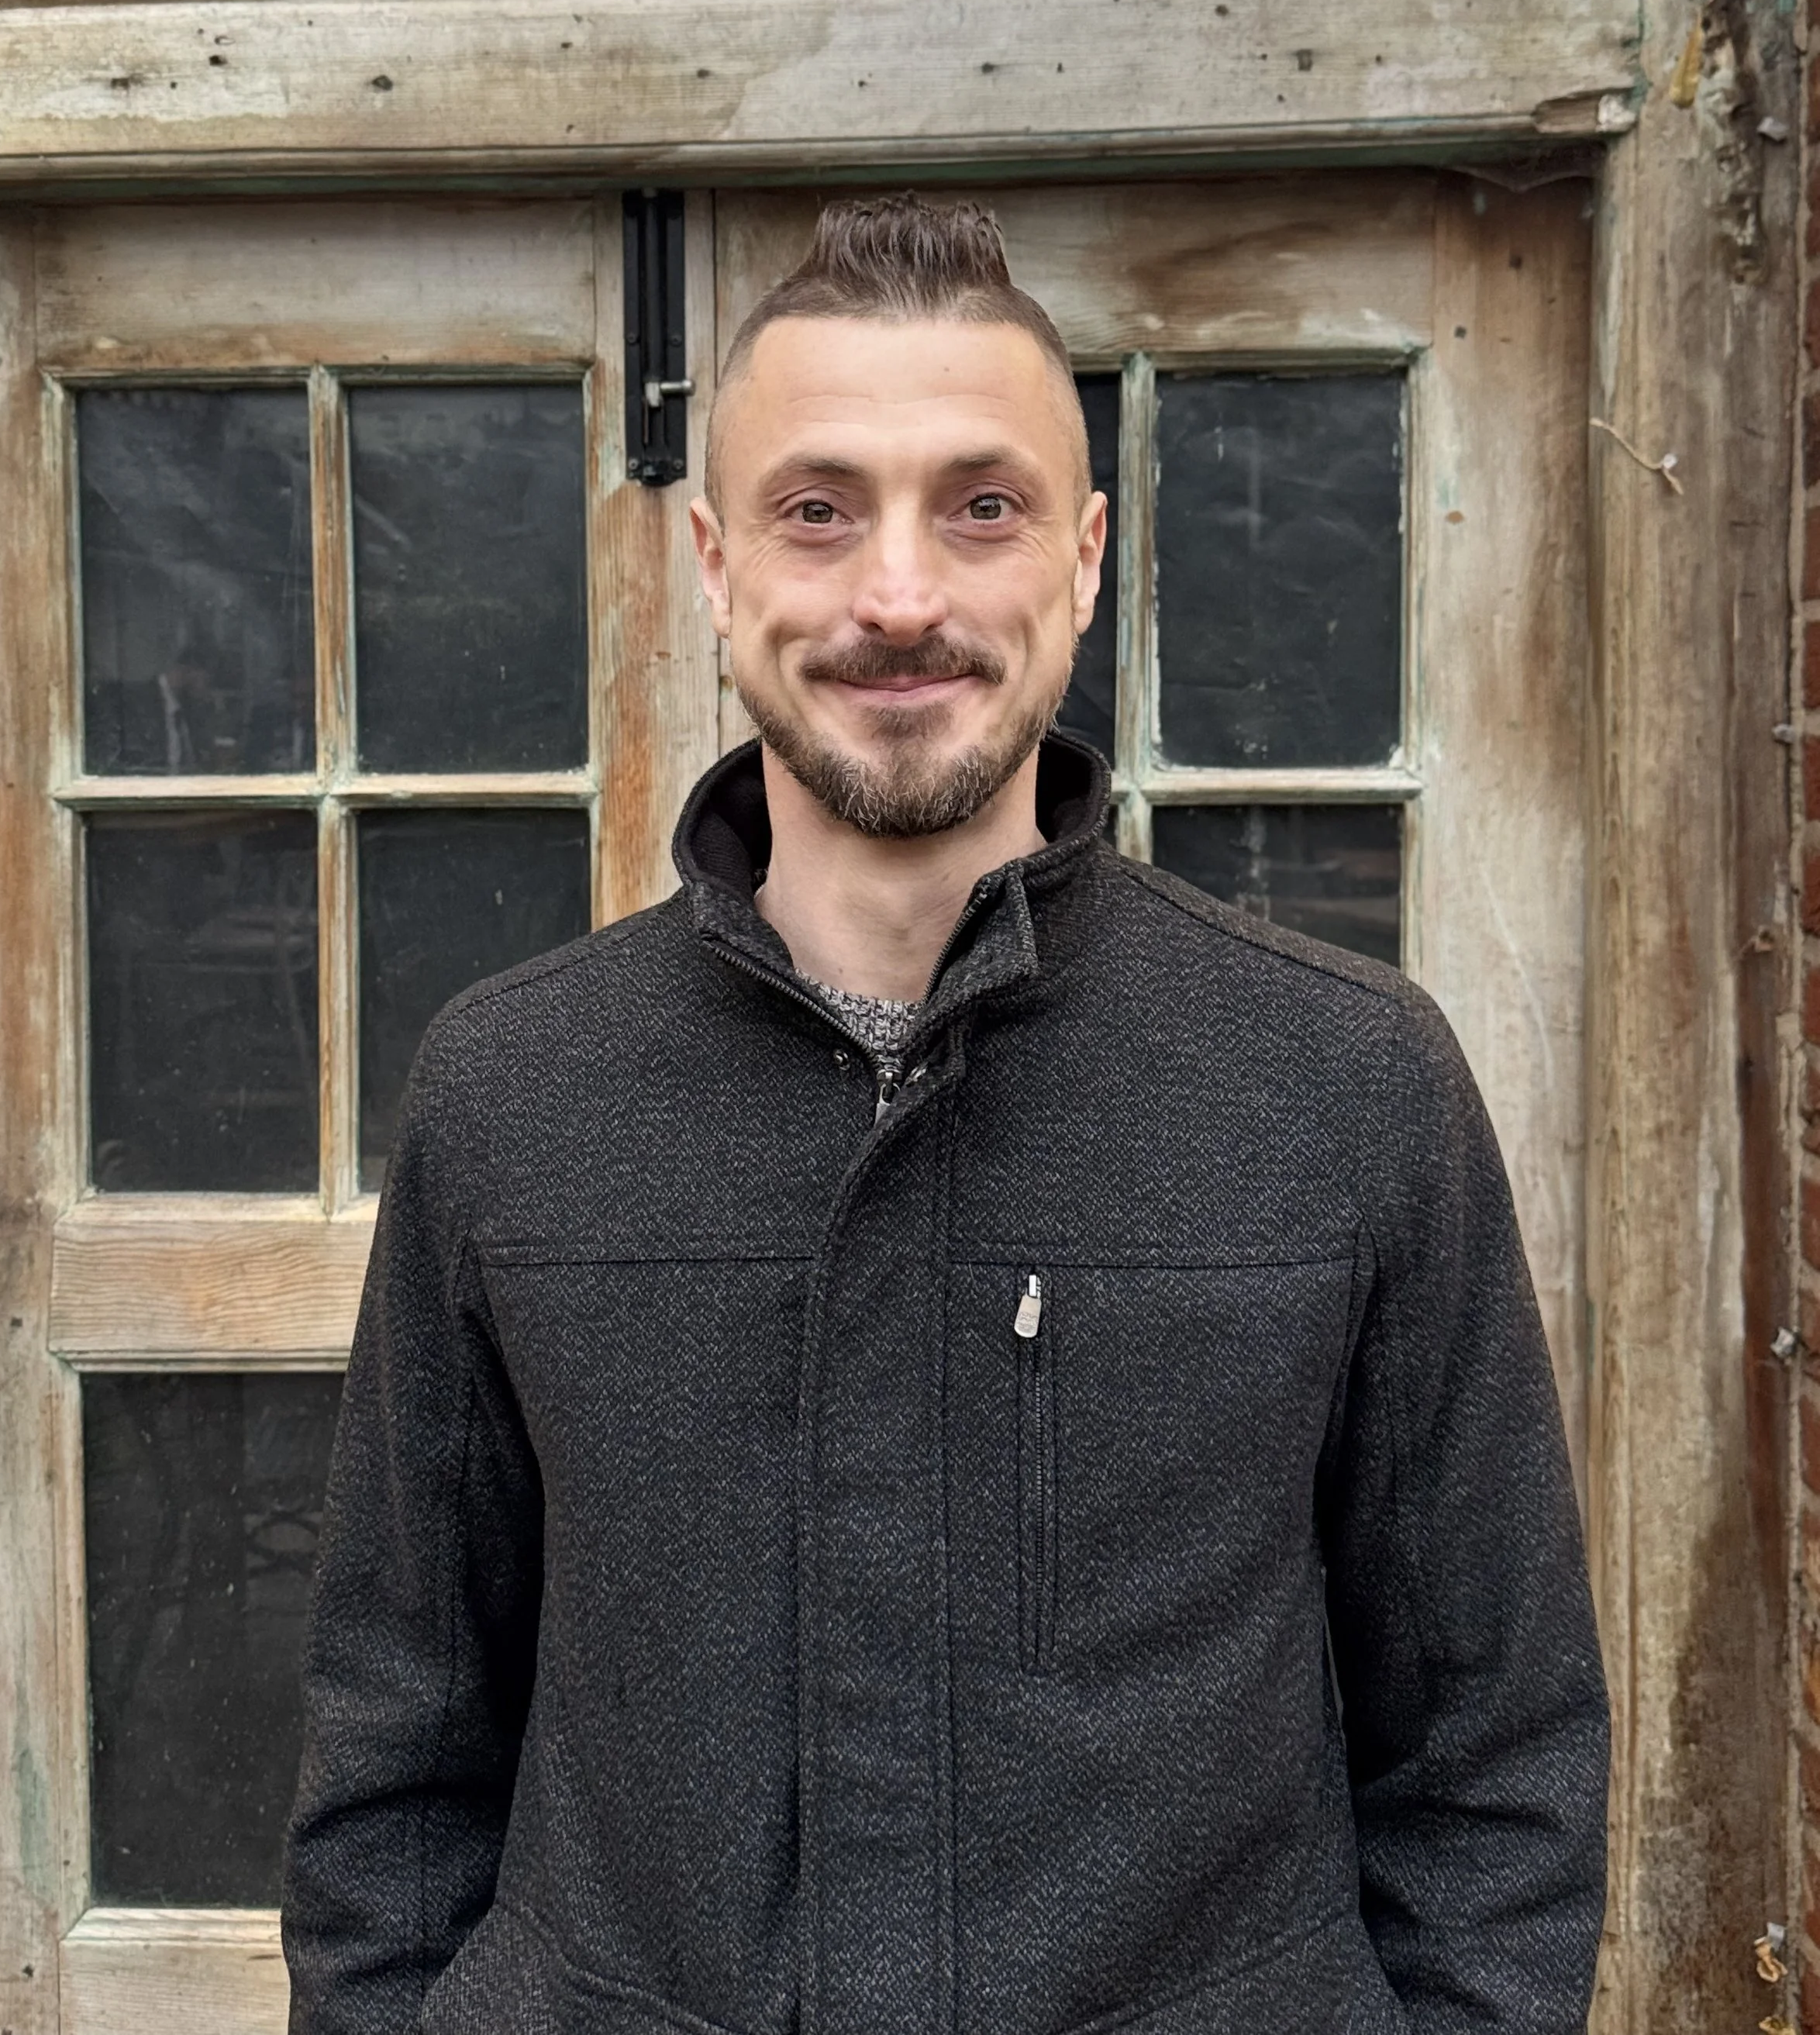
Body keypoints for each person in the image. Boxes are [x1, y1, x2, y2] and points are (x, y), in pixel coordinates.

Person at [281, 196, 1610, 2035]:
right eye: (816, 508)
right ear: (714, 563)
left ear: (1078, 560)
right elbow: (396, 1769)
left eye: (976, 506)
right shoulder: (513, 1091)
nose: (896, 594)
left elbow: (1493, 1765)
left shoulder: (1346, 1084)